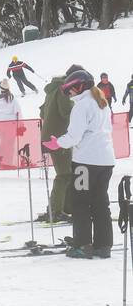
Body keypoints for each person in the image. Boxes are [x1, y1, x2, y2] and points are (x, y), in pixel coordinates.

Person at [44, 70, 115, 259]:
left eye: (70, 90)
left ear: (79, 86)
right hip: (106, 162)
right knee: (101, 202)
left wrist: (57, 142)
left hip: (86, 163)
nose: (70, 94)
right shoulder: (102, 103)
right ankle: (103, 245)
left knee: (81, 202)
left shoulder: (82, 106)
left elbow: (74, 136)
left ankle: (83, 246)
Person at [41, 65, 84, 221]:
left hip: (53, 135)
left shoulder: (53, 88)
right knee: (64, 173)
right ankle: (56, 210)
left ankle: (62, 207)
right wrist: (80, 106)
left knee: (66, 172)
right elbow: (66, 110)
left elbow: (42, 110)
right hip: (58, 138)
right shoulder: (63, 89)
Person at [0, 80, 25, 170]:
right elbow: (18, 112)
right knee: (10, 143)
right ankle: (8, 162)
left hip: (1, 124)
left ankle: (2, 161)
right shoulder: (12, 99)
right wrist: (21, 125)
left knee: (3, 142)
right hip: (11, 124)